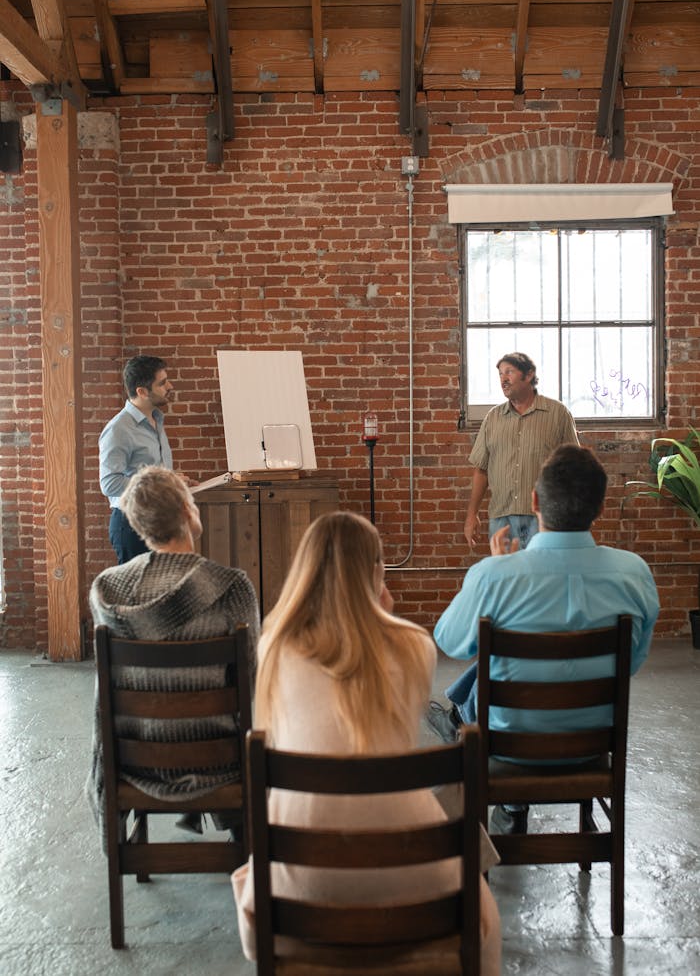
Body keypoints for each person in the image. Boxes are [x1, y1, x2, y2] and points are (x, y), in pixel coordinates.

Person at [232, 511, 501, 975]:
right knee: (485, 905)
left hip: (301, 874)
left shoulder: (273, 645)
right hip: (410, 867)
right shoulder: (415, 646)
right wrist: (387, 612)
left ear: (305, 570)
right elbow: (395, 732)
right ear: (377, 572)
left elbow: (272, 731)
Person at [430, 444, 659, 835]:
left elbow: (450, 641)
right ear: (599, 508)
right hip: (592, 745)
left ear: (534, 501)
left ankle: (504, 803)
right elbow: (632, 663)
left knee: (479, 678)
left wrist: (499, 568)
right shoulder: (634, 574)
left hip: (508, 744)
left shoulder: (495, 575)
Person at [86, 465, 260, 850]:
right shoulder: (232, 588)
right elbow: (249, 677)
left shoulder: (107, 589)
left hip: (135, 762)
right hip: (218, 760)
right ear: (187, 510)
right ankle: (241, 833)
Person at [464, 352, 578, 551]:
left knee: (544, 578)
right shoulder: (493, 418)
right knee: (507, 578)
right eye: (500, 374)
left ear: (528, 375)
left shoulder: (558, 414)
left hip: (545, 519)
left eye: (509, 372)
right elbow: (481, 470)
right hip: (502, 519)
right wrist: (471, 515)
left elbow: (574, 468)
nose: (503, 379)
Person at [99, 355, 181, 563]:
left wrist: (173, 480)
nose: (169, 386)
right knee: (138, 594)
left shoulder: (156, 420)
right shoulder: (119, 429)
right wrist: (161, 484)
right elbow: (110, 483)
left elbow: (147, 472)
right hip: (132, 524)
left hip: (158, 521)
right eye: (162, 383)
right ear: (142, 391)